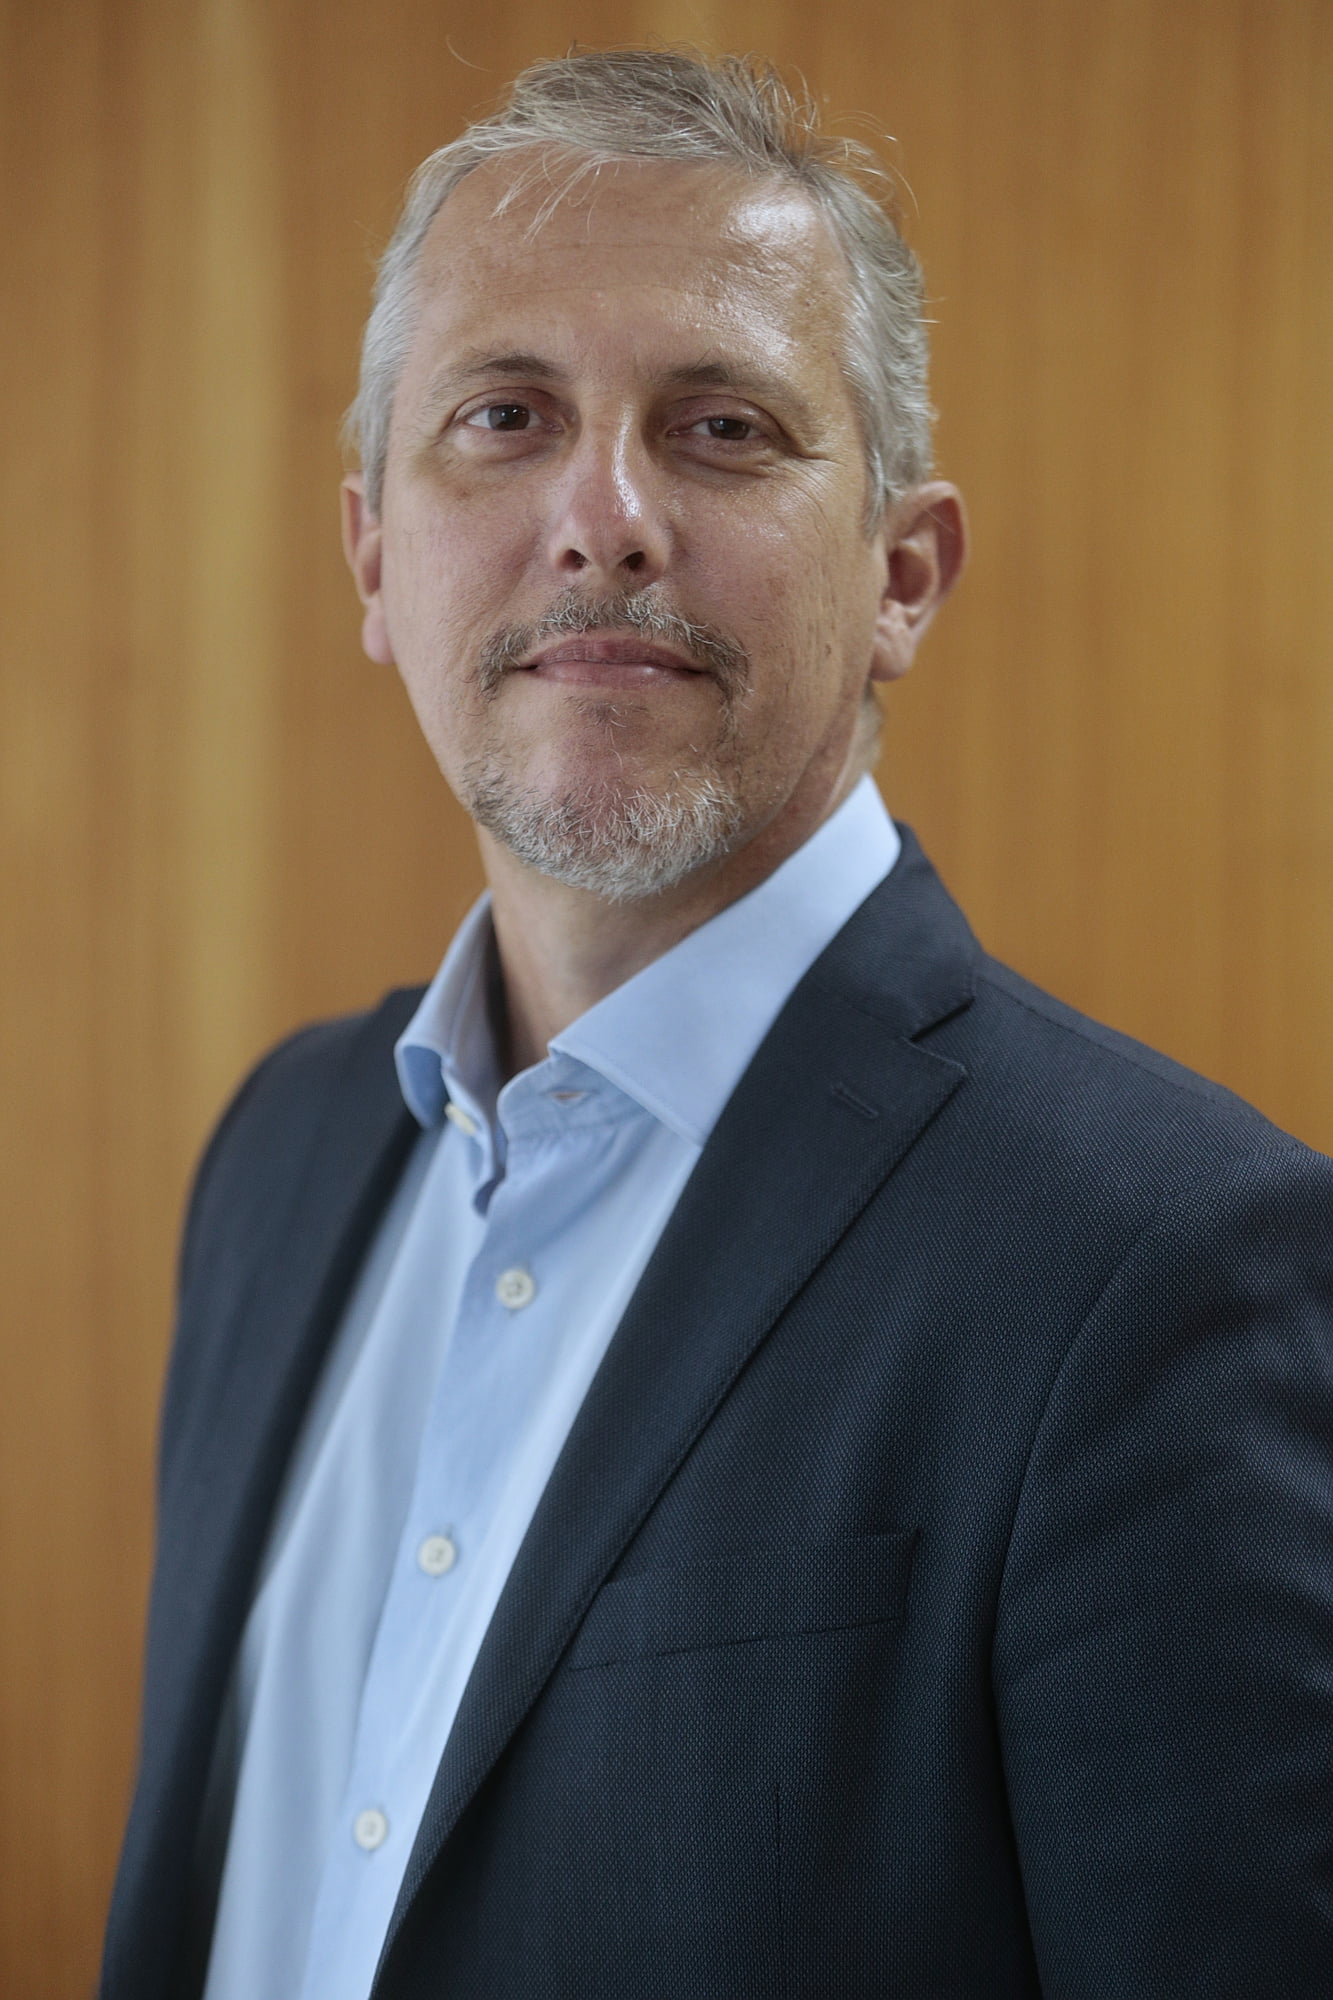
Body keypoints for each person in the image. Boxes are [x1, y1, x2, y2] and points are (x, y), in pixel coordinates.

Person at [102, 47, 1333, 2000]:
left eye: (723, 428)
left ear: (901, 576)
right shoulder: (281, 1156)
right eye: (502, 417)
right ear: (373, 558)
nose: (602, 518)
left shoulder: (1161, 1262)